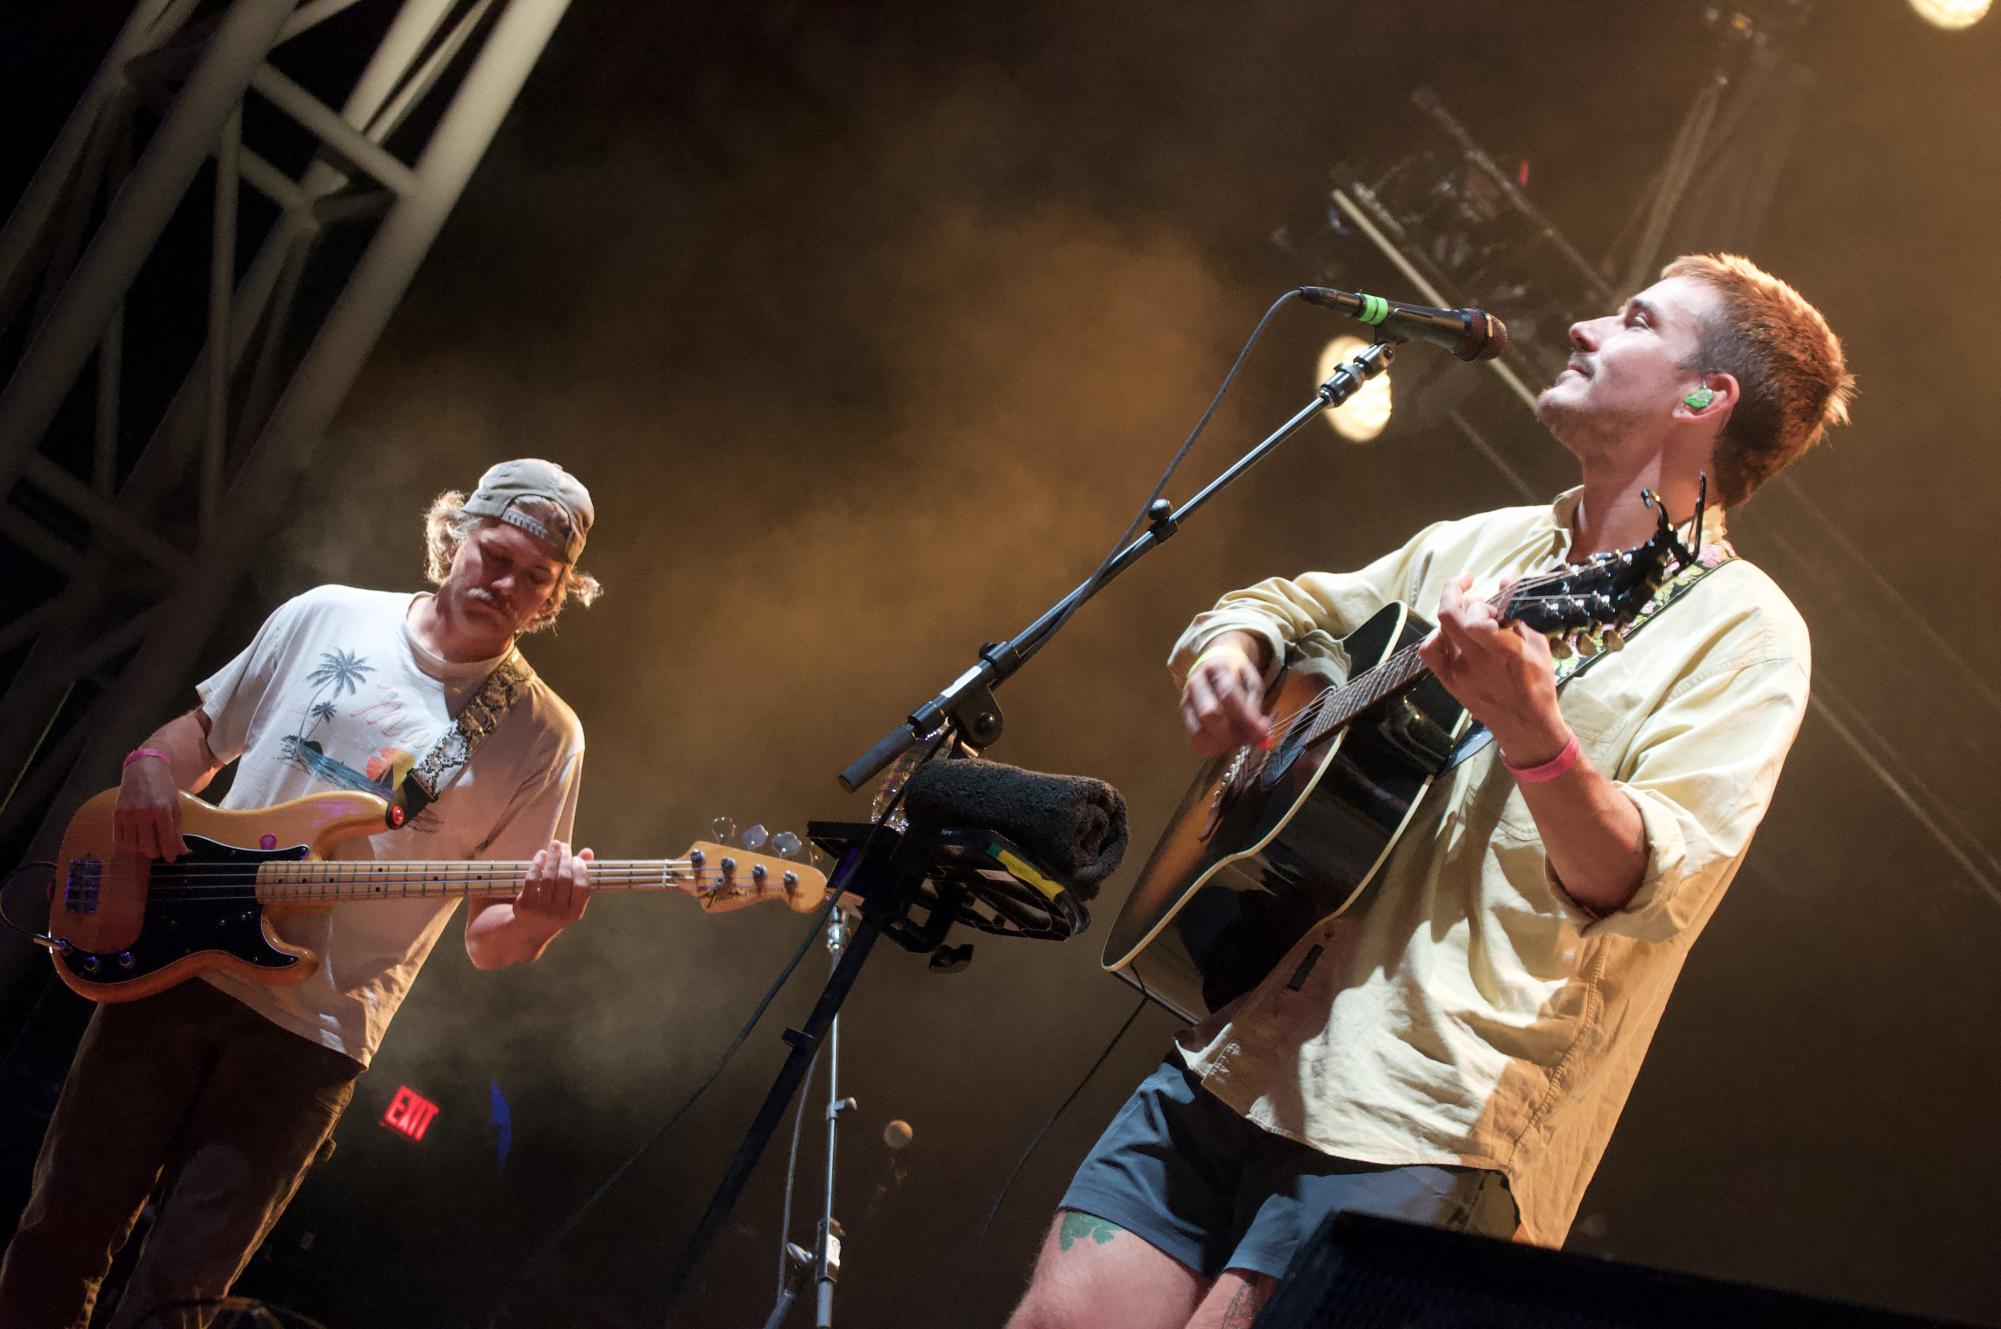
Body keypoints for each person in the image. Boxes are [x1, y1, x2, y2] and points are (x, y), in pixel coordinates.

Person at [1006, 254, 1854, 1329]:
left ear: (1703, 396)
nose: (1587, 327)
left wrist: (1534, 732)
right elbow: (1289, 606)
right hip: (1241, 1044)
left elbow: (1642, 883)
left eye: (1634, 319)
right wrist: (1232, 649)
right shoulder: (1485, 546)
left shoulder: (1747, 634)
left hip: (1424, 1115)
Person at [0, 459, 606, 1328]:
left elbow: (489, 940)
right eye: (496, 556)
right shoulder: (327, 614)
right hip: (170, 967)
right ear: (455, 536)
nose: (508, 585)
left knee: (180, 1295)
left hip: (312, 1035)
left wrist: (541, 920)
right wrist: (143, 767)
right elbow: (203, 735)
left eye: (536, 580)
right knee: (58, 1235)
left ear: (554, 598)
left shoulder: (544, 734)